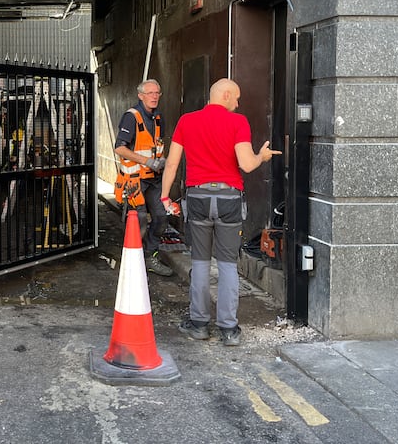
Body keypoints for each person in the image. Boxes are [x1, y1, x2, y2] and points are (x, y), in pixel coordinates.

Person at [160, 78, 281, 346]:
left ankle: (199, 324)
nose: (238, 104)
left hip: (198, 197)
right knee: (227, 265)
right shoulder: (238, 123)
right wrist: (262, 156)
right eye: (236, 98)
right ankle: (229, 329)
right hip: (228, 200)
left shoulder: (187, 121)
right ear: (225, 95)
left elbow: (172, 164)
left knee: (200, 263)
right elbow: (247, 165)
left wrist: (165, 196)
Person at [114, 79, 174, 277]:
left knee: (161, 217)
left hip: (154, 179)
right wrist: (146, 162)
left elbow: (157, 144)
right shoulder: (131, 117)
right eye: (150, 93)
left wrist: (162, 158)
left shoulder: (158, 118)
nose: (155, 96)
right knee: (139, 222)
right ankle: (134, 263)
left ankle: (149, 257)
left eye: (157, 92)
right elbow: (120, 148)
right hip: (136, 180)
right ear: (140, 96)